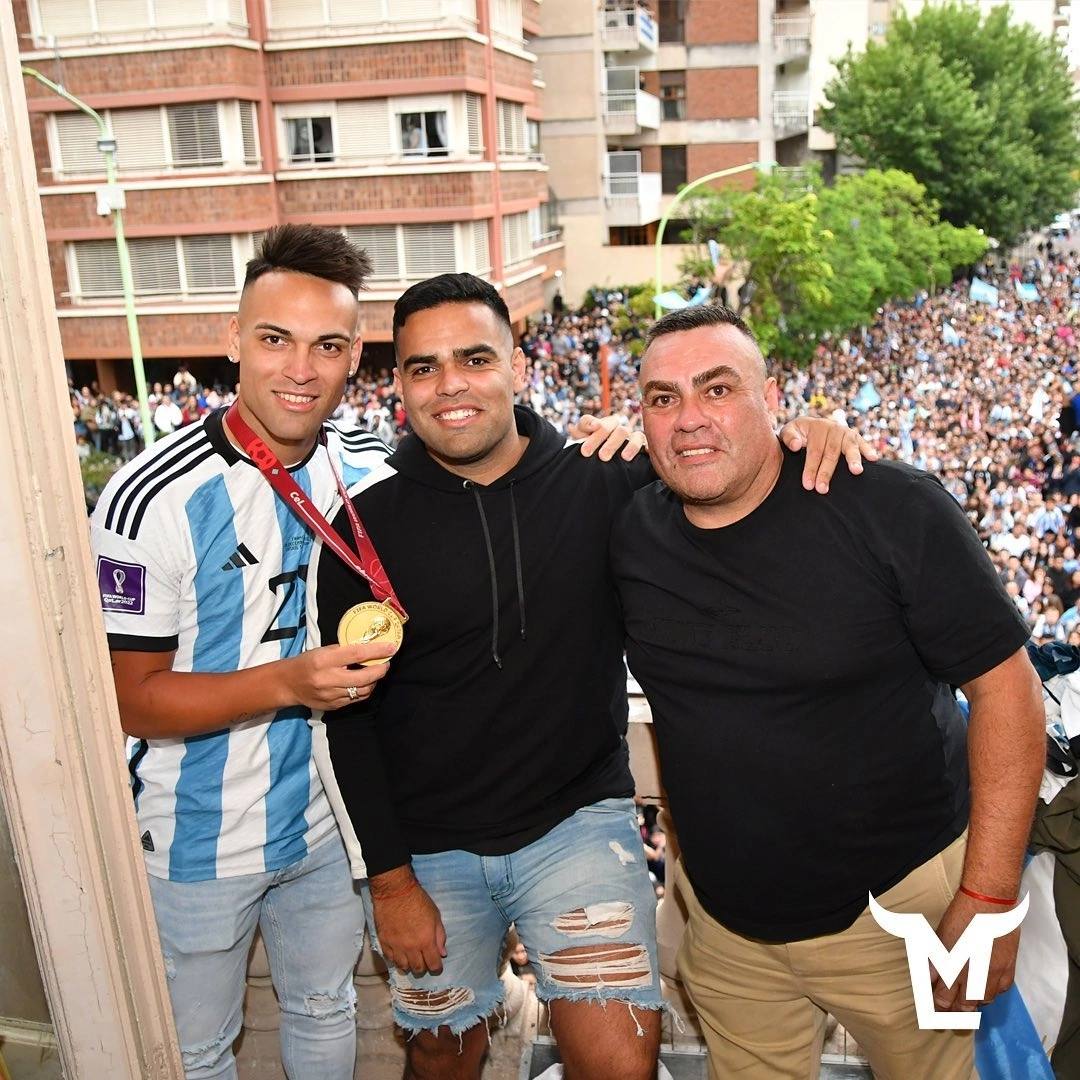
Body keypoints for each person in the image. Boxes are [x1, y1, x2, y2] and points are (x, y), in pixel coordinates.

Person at [306, 275, 868, 1080]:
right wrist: (390, 883)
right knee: (441, 1052)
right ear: (399, 383)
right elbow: (346, 720)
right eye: (424, 367)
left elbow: (726, 474)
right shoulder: (360, 525)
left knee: (618, 1065)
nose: (450, 384)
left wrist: (803, 435)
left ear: (519, 366)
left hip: (577, 825)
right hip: (427, 850)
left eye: (474, 359)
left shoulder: (607, 475)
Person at [610, 304, 1046, 1080]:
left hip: (903, 912)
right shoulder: (626, 522)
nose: (689, 419)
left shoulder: (887, 505)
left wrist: (988, 896)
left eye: (718, 389)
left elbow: (1008, 690)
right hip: (727, 931)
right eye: (663, 398)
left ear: (772, 398)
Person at [89, 225, 398, 1079]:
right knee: (196, 1052)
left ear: (354, 357)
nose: (301, 369)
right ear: (233, 340)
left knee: (326, 1008)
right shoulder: (149, 497)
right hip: (195, 837)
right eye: (274, 339)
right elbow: (133, 698)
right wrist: (289, 682)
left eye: (327, 346)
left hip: (329, 822)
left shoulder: (367, 464)